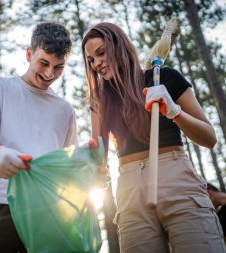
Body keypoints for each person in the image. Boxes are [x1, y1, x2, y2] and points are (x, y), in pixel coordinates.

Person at [81, 22, 225, 253]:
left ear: (119, 48)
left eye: (101, 53)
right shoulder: (100, 99)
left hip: (176, 179)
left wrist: (174, 111)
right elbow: (99, 159)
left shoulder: (165, 78)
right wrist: (90, 164)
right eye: (91, 60)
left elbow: (209, 138)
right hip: (129, 189)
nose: (96, 63)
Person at [0, 22, 79, 253]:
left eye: (58, 67)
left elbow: (69, 164)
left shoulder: (65, 110)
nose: (49, 73)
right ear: (29, 53)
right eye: (43, 62)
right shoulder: (0, 87)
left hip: (44, 214)